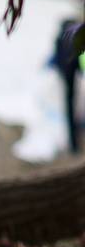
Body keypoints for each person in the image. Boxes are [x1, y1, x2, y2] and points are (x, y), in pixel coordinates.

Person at [50, 12, 84, 155]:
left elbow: (56, 59)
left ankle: (73, 144)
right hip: (74, 73)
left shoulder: (60, 37)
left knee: (69, 108)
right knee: (72, 107)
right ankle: (74, 143)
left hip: (67, 75)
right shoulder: (76, 35)